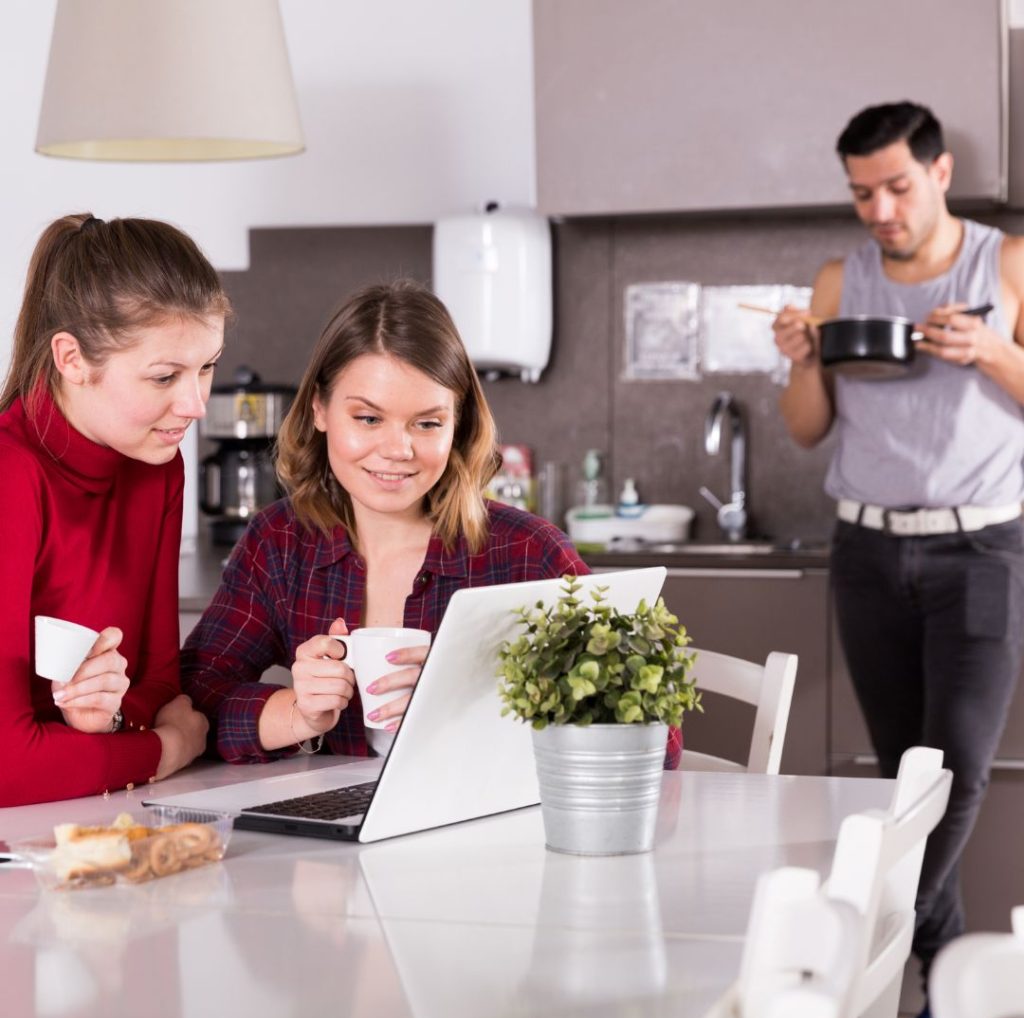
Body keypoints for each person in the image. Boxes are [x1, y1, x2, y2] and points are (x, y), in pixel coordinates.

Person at [182, 280, 683, 769]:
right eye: (368, 419)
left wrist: (475, 703)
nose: (398, 450)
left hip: (491, 840)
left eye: (427, 423)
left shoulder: (528, 553)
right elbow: (192, 700)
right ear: (319, 408)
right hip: (332, 839)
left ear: (458, 425)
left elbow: (657, 738)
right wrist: (298, 714)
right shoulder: (281, 543)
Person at [772, 101, 1024, 1017]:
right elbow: (807, 430)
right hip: (867, 551)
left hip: (984, 551)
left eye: (897, 187)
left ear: (942, 174)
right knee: (903, 779)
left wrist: (994, 351)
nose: (880, 210)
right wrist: (802, 360)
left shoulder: (1006, 263)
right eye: (861, 193)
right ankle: (943, 997)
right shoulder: (841, 279)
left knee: (950, 776)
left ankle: (852, 954)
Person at [0, 213, 229, 807]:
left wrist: (101, 724)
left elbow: (158, 680)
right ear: (71, 359)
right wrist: (166, 750)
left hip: (83, 815)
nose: (195, 404)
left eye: (206, 366)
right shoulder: (11, 474)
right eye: (164, 376)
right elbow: (7, 767)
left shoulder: (157, 467)